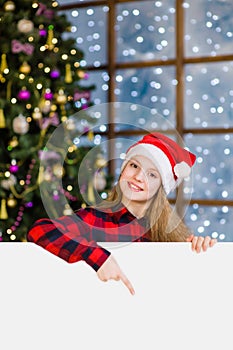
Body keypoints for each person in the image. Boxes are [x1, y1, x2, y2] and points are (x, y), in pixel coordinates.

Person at [27, 132, 217, 295]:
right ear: (123, 170)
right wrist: (97, 256)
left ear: (161, 187)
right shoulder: (94, 219)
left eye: (152, 175)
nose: (137, 177)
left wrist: (200, 250)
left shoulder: (170, 234)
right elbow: (41, 230)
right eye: (134, 166)